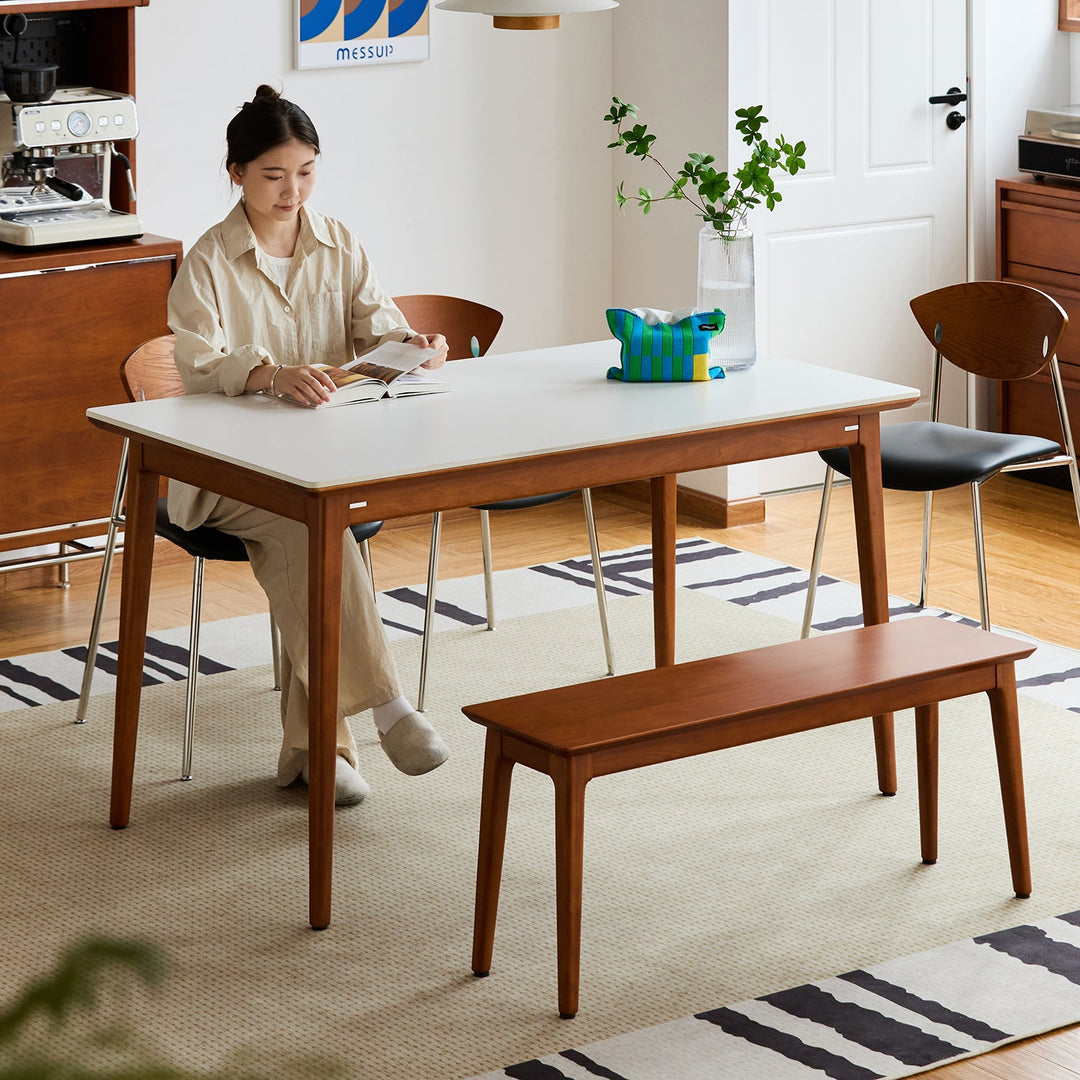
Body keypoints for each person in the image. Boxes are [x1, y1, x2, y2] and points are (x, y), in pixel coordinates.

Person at [166, 84, 449, 807]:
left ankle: (314, 753)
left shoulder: (339, 242)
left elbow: (376, 332)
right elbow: (197, 364)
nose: (292, 191)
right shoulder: (207, 261)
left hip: (324, 460)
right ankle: (388, 709)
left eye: (306, 171)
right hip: (227, 475)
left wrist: (412, 345)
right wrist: (269, 373)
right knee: (314, 532)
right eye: (273, 175)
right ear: (236, 173)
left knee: (317, 532)